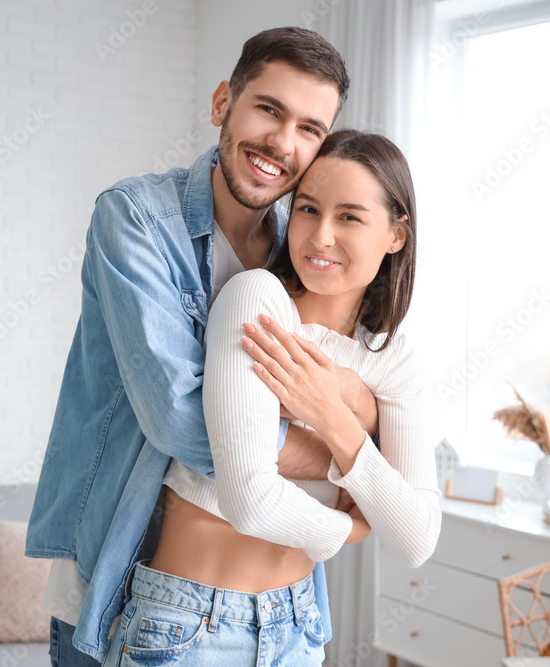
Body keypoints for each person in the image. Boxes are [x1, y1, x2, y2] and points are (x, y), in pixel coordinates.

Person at [24, 28, 376, 667]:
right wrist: (341, 457)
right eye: (269, 109)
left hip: (281, 609)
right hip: (129, 589)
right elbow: (178, 420)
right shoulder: (134, 219)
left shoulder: (302, 254)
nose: (283, 143)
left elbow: (374, 390)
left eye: (310, 129)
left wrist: (356, 439)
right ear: (223, 104)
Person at [103, 130, 442, 666]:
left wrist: (334, 415)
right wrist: (350, 528)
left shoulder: (393, 360)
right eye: (308, 209)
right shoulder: (258, 299)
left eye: (349, 217)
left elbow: (417, 537)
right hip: (191, 625)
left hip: (300, 626)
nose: (320, 236)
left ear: (396, 235)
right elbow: (249, 498)